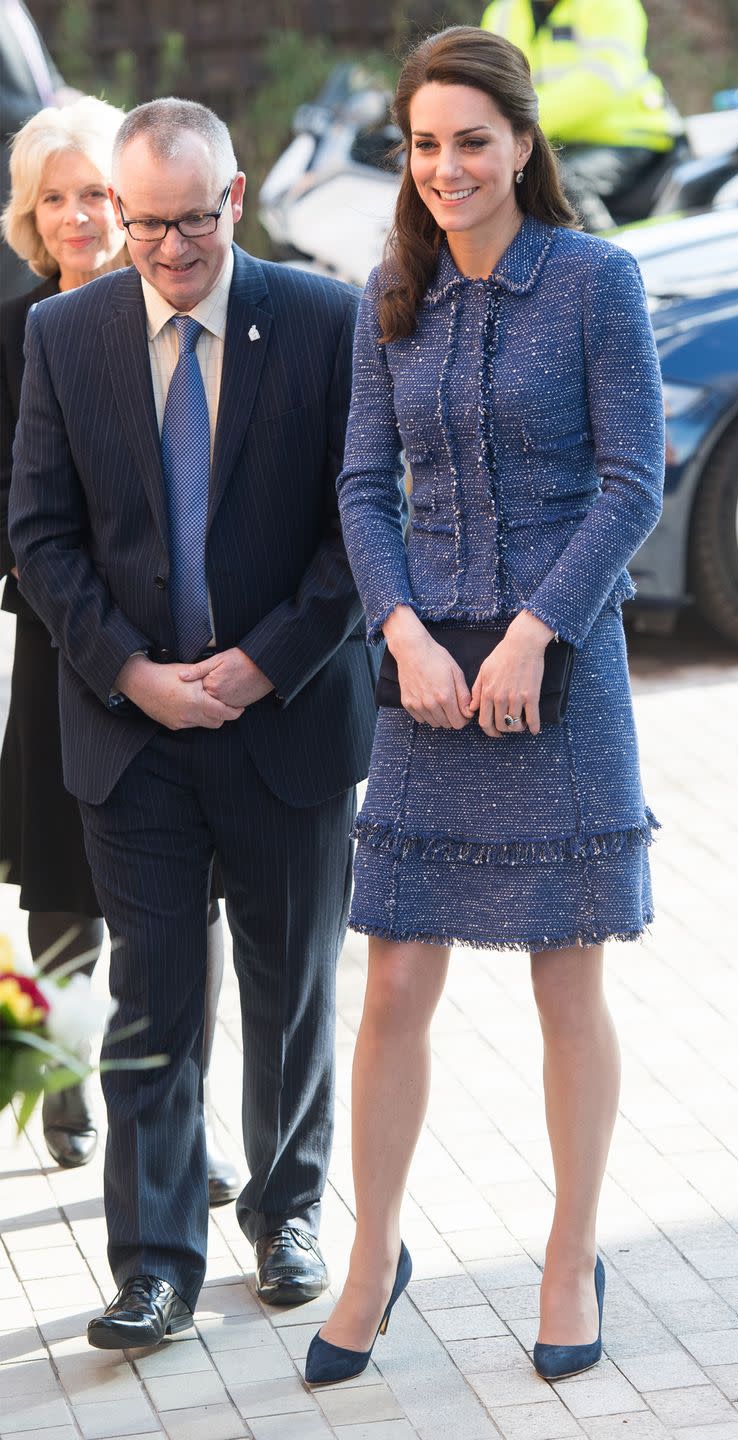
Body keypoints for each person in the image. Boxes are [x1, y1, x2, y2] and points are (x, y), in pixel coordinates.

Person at [309, 25, 664, 1386]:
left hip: (557, 669)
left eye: (472, 140)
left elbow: (634, 478)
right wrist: (399, 628)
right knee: (396, 978)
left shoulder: (593, 282)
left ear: (523, 146)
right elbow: (360, 490)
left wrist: (529, 634)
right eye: (424, 143)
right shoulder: (386, 292)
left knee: (563, 972)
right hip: (425, 675)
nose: (446, 166)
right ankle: (371, 1254)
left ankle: (571, 1254)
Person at [9, 96, 377, 1348]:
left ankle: (286, 1214)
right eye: (142, 223)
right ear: (115, 211)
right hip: (132, 733)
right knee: (153, 1002)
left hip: (289, 721)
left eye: (190, 222)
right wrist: (129, 670)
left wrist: (265, 664)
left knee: (292, 991)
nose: (168, 250)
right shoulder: (65, 334)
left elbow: (356, 523)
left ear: (235, 200)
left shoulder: (326, 321)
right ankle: (153, 1265)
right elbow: (41, 534)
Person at [0, 96, 240, 1204]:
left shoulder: (193, 315)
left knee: (189, 910)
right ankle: (60, 1067)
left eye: (99, 193)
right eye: (58, 198)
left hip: (189, 663)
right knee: (62, 892)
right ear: (32, 218)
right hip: (65, 656)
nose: (83, 216)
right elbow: (23, 523)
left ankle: (189, 1121)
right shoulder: (26, 337)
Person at [481, 0, 682, 229]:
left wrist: (519, 121)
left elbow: (601, 82)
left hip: (630, 138)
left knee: (557, 182)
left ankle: (606, 261)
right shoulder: (503, 12)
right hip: (551, 142)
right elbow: (491, 87)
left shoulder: (608, 4)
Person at [0, 0, 79, 300]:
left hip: (40, 169)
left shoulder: (14, 7)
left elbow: (43, 77)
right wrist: (49, 112)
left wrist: (65, 95)